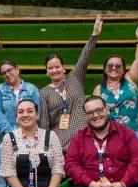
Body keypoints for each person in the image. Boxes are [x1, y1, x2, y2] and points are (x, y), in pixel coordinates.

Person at [39, 16, 102, 149]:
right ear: (46, 71)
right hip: (59, 140)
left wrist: (94, 35)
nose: (54, 70)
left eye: (57, 67)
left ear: (64, 68)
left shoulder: (75, 78)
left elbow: (84, 58)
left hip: (83, 133)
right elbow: (44, 123)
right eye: (50, 68)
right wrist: (44, 147)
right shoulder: (43, 92)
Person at [92, 24, 138, 142]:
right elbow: (95, 112)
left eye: (118, 66)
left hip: (134, 131)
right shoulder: (99, 89)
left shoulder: (130, 79)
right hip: (110, 133)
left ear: (123, 70)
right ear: (105, 69)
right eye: (110, 65)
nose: (114, 68)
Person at [0, 60, 41, 140]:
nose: (7, 74)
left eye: (9, 70)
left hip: (28, 134)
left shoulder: (32, 89)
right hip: (4, 135)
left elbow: (37, 112)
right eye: (3, 73)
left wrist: (24, 132)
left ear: (17, 70)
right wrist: (12, 133)